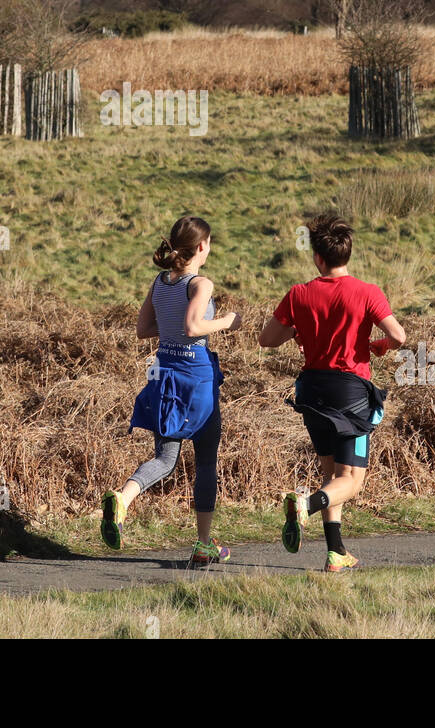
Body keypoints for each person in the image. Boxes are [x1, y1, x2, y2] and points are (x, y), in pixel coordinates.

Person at [258, 213, 406, 572]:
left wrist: (299, 331)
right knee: (353, 480)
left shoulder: (299, 294)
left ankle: (335, 552)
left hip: (311, 390)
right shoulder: (367, 292)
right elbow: (399, 336)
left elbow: (267, 340)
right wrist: (382, 344)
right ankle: (304, 507)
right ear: (347, 254)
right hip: (350, 394)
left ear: (317, 257)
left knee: (331, 474)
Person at [101, 215, 241, 566]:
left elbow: (143, 328)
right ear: (201, 246)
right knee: (206, 460)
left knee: (165, 459)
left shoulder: (160, 281)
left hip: (163, 374)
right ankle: (203, 544)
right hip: (197, 379)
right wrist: (226, 321)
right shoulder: (201, 284)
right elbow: (194, 326)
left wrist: (171, 328)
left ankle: (122, 499)